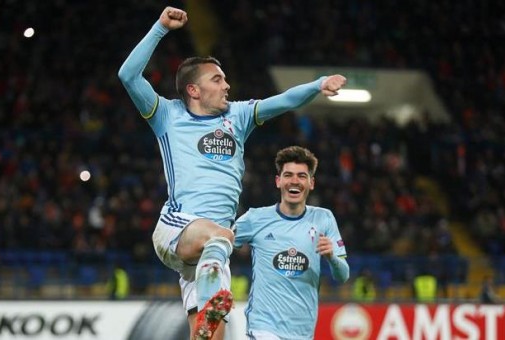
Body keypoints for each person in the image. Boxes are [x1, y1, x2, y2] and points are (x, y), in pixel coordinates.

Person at [118, 7, 346, 340]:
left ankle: (209, 309)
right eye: (217, 79)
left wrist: (318, 84)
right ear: (194, 90)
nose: (227, 85)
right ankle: (213, 295)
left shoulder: (237, 118)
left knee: (210, 337)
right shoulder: (167, 115)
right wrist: (160, 28)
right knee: (221, 236)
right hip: (179, 227)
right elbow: (128, 76)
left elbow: (281, 101)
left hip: (210, 255)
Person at [233, 146, 350, 339]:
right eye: (288, 175)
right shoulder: (255, 218)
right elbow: (221, 242)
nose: (294, 181)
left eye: (302, 176)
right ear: (278, 181)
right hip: (263, 328)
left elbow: (343, 275)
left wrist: (331, 257)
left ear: (311, 183)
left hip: (303, 332)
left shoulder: (324, 218)